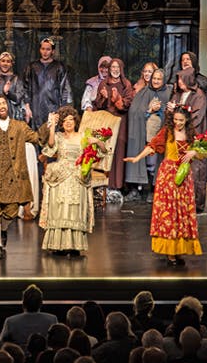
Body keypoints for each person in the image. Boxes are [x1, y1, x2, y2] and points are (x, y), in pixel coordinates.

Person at [124, 106, 202, 267]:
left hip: (184, 176)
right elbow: (153, 146)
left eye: (181, 120)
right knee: (170, 213)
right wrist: (137, 158)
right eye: (176, 120)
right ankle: (169, 253)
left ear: (186, 120)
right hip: (168, 175)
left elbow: (202, 152)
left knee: (182, 211)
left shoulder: (191, 134)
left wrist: (194, 152)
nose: (178, 123)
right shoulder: (167, 132)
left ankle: (179, 250)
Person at [0, 94, 46, 259]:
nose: (2, 106)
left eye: (3, 103)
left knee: (11, 212)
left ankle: (3, 229)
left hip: (14, 176)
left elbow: (37, 138)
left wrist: (48, 125)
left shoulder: (20, 126)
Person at [39, 106, 93, 255]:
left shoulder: (83, 136)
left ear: (75, 121)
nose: (69, 123)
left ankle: (74, 246)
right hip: (61, 173)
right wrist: (52, 127)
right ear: (61, 123)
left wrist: (98, 142)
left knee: (75, 209)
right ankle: (58, 245)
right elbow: (50, 147)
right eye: (65, 121)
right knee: (60, 208)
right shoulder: (58, 136)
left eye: (71, 120)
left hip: (77, 174)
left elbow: (98, 150)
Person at [166, 67, 207, 213]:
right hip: (178, 136)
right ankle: (180, 201)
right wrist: (170, 109)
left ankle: (196, 204)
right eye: (178, 79)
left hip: (193, 136)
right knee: (179, 168)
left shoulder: (199, 95)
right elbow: (173, 114)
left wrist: (178, 111)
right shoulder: (177, 94)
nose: (178, 82)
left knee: (195, 170)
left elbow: (196, 117)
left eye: (181, 79)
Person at [125, 68, 172, 200]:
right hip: (146, 134)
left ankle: (155, 189)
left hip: (162, 134)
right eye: (154, 78)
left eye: (159, 79)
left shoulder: (169, 92)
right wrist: (149, 110)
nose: (156, 81)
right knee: (148, 162)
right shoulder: (144, 92)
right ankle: (139, 190)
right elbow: (135, 112)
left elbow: (175, 112)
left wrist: (163, 110)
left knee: (156, 162)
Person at [93, 58, 134, 196]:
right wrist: (104, 98)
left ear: (121, 69)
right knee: (106, 149)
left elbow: (127, 104)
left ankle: (118, 184)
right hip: (107, 122)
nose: (115, 70)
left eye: (117, 67)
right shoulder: (104, 83)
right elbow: (97, 105)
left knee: (119, 150)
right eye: (112, 67)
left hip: (121, 121)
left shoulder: (126, 84)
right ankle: (106, 183)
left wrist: (117, 99)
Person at [24, 37, 73, 129]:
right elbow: (26, 88)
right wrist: (27, 106)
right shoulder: (32, 67)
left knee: (52, 133)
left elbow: (65, 89)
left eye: (48, 49)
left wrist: (63, 109)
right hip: (36, 107)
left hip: (53, 107)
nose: (45, 52)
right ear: (40, 50)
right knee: (36, 135)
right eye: (43, 49)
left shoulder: (59, 67)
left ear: (53, 51)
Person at [0, 52, 28, 121]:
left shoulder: (16, 79)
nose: (5, 64)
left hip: (11, 115)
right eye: (3, 61)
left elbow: (19, 98)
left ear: (11, 64)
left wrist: (8, 93)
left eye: (8, 61)